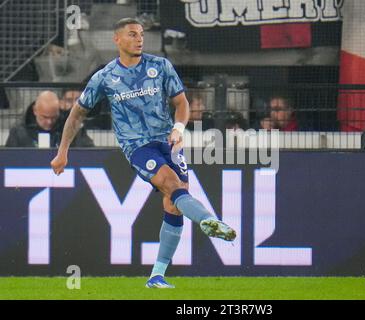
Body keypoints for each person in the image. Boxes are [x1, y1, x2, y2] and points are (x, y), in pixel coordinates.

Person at [50, 18, 236, 289]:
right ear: (117, 39)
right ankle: (208, 220)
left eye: (141, 35)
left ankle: (156, 276)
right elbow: (77, 113)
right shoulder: (105, 77)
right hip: (137, 146)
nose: (139, 39)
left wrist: (179, 128)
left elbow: (181, 102)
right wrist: (62, 152)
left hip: (168, 141)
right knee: (170, 184)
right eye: (132, 34)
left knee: (174, 202)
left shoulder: (160, 66)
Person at [5, 90, 94, 148]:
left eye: (54, 117)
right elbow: (9, 159)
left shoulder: (72, 127)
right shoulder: (18, 132)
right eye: (45, 117)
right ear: (35, 110)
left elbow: (89, 153)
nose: (49, 122)